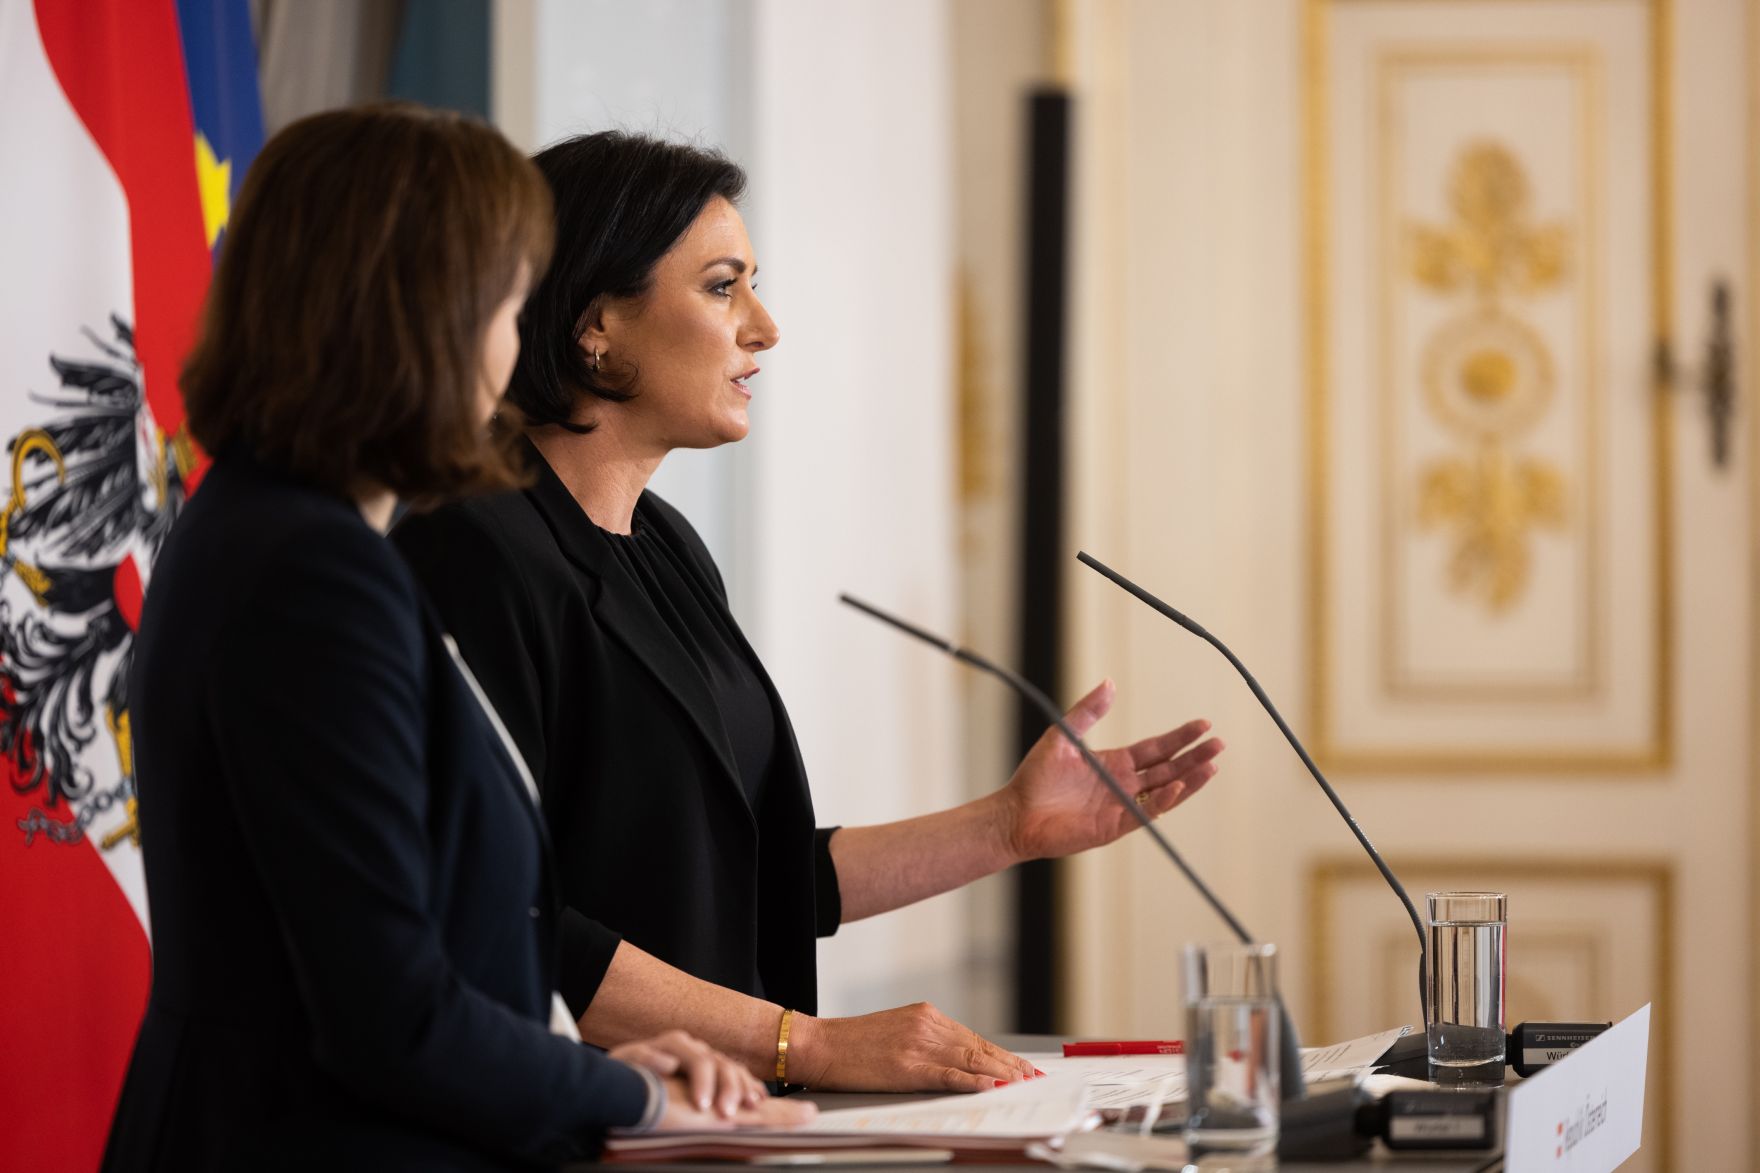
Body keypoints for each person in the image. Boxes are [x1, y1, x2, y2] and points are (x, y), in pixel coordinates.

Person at [392, 131, 1225, 1095]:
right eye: (721, 286)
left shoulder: (665, 547)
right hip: (569, 1119)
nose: (764, 326)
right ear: (596, 325)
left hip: (714, 1122)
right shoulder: (472, 549)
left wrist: (1006, 826)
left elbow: (765, 875)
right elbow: (512, 919)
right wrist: (808, 1044)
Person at [101, 106, 808, 1173]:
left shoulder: (290, 533)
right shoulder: (311, 571)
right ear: (417, 309)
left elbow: (450, 935)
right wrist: (638, 1098)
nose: (522, 334)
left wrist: (585, 1056)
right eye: (511, 295)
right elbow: (391, 1012)